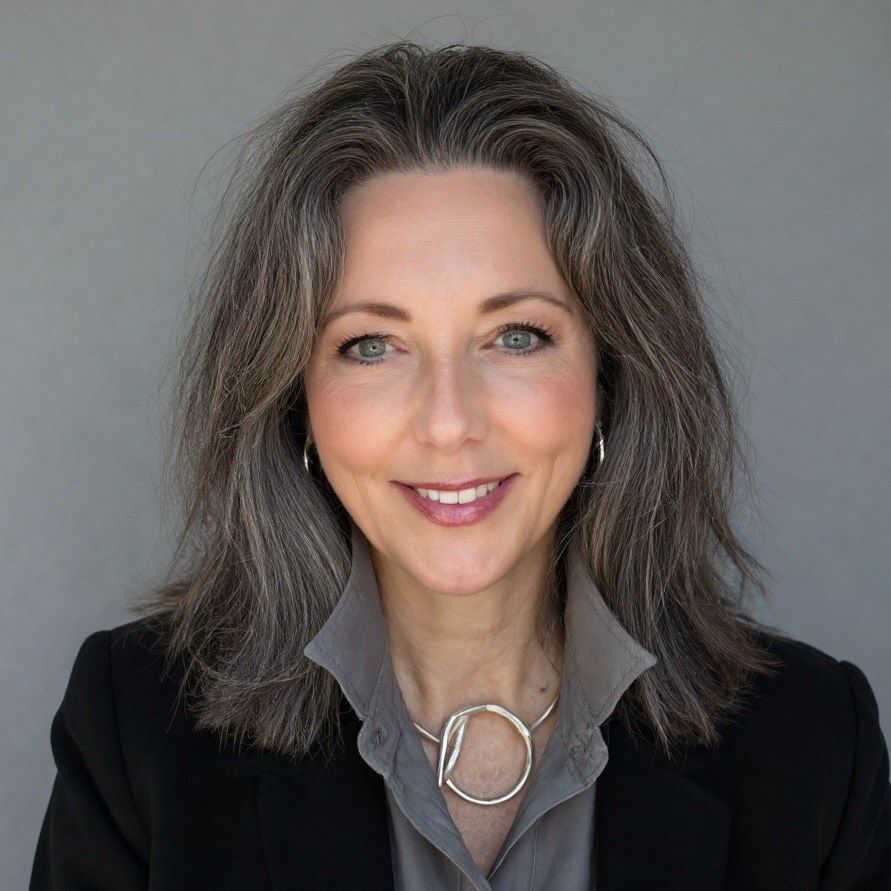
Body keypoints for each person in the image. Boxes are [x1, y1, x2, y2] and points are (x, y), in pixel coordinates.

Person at [31, 41, 890, 890]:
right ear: (294, 395)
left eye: (515, 336)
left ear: (610, 371)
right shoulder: (134, 729)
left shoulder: (816, 742)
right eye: (372, 345)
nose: (448, 423)